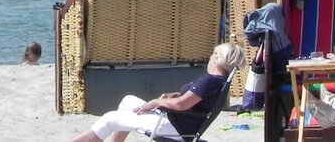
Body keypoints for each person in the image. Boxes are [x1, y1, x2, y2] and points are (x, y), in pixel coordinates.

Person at [67, 42, 244, 142]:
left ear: (219, 59)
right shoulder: (218, 82)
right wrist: (173, 95)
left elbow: (182, 105)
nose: (211, 57)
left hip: (172, 127)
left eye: (214, 54)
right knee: (127, 101)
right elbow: (192, 100)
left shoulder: (210, 81)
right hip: (178, 122)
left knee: (110, 119)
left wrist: (157, 102)